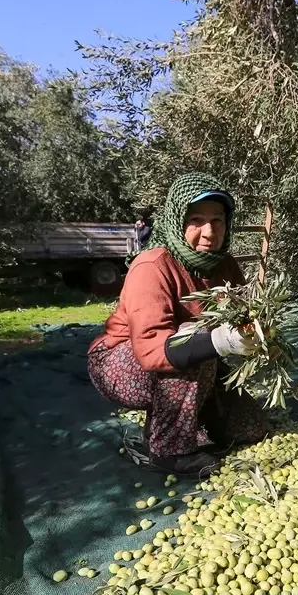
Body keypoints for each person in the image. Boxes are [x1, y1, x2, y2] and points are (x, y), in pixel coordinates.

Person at [88, 172, 270, 478]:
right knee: (193, 344)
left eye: (219, 220)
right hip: (119, 362)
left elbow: (242, 313)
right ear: (177, 220)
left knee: (249, 428)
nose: (210, 231)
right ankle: (167, 452)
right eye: (196, 219)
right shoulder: (152, 266)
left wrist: (260, 336)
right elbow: (151, 350)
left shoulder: (224, 265)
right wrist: (220, 341)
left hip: (195, 361)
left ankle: (180, 420)